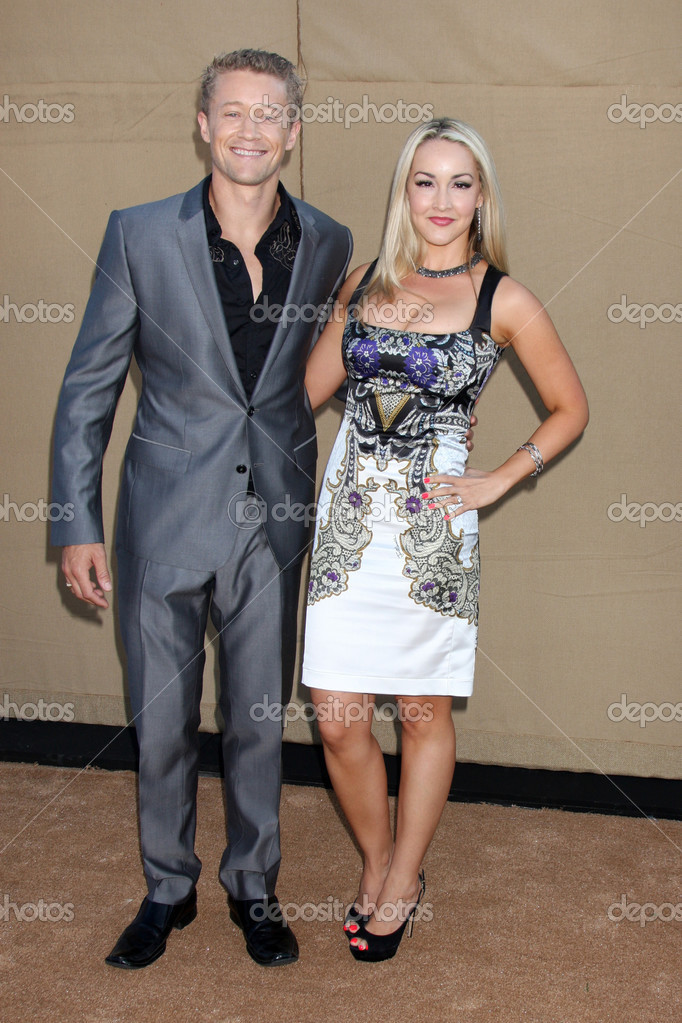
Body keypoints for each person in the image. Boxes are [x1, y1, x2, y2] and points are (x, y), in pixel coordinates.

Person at [51, 49, 354, 969]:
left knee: (260, 716)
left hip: (275, 520)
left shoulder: (330, 242)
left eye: (270, 113)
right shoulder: (138, 234)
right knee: (163, 718)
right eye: (232, 111)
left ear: (293, 132)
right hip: (164, 518)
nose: (249, 129)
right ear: (202, 124)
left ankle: (254, 886)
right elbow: (88, 389)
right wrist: (76, 521)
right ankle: (167, 887)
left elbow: (322, 370)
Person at [302, 117, 589, 962]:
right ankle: (377, 855)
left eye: (460, 182)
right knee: (338, 718)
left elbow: (571, 408)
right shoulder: (363, 282)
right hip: (348, 526)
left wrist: (501, 477)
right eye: (424, 180)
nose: (441, 199)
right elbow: (300, 394)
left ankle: (401, 878)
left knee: (422, 711)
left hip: (432, 537)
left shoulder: (506, 299)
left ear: (481, 195)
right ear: (405, 191)